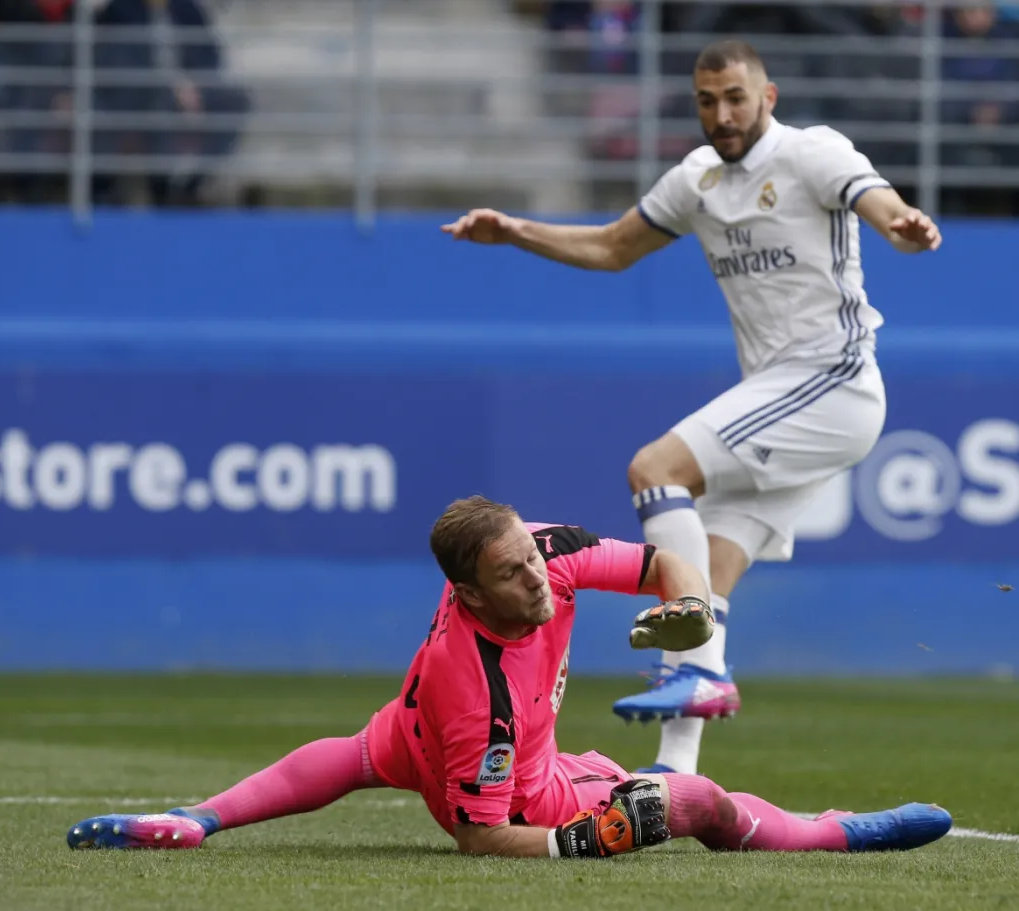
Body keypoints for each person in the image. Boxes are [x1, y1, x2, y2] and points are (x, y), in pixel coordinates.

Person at [440, 38, 942, 776]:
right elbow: (613, 247)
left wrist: (900, 220)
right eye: (707, 100)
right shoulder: (697, 179)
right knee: (703, 562)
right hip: (784, 397)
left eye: (736, 97)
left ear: (767, 97)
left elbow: (872, 196)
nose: (722, 113)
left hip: (831, 379)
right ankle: (677, 770)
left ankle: (701, 674)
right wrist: (515, 230)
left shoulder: (810, 153)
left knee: (655, 468)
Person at [65, 496, 951, 858]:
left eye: (533, 560)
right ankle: (836, 835)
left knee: (355, 752)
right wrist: (582, 839)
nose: (539, 582)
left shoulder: (548, 550)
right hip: (504, 786)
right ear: (466, 592)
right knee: (693, 804)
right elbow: (481, 837)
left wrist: (689, 614)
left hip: (412, 729)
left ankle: (191, 816)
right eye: (514, 576)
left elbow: (664, 562)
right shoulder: (474, 686)